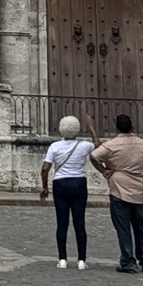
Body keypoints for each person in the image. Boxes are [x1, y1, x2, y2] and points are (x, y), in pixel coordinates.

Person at [91, 113, 143, 274]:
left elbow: (93, 156)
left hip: (119, 189)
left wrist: (104, 171)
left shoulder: (111, 145)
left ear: (115, 128)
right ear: (132, 127)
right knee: (140, 228)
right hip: (140, 189)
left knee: (123, 228)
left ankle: (128, 261)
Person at [39, 114, 95, 269]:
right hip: (78, 182)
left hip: (60, 183)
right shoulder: (84, 146)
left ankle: (62, 259)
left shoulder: (54, 147)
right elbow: (98, 145)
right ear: (77, 130)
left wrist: (45, 187)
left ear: (61, 130)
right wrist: (90, 127)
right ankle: (81, 260)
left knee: (62, 223)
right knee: (79, 223)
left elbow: (45, 168)